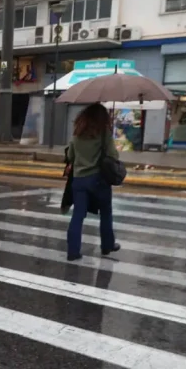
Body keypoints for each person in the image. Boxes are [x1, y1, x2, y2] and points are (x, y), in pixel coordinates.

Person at [66, 103, 121, 261]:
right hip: (98, 180)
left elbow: (70, 156)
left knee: (78, 215)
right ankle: (107, 245)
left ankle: (73, 251)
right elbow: (113, 156)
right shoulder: (104, 134)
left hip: (79, 180)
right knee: (105, 213)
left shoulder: (77, 135)